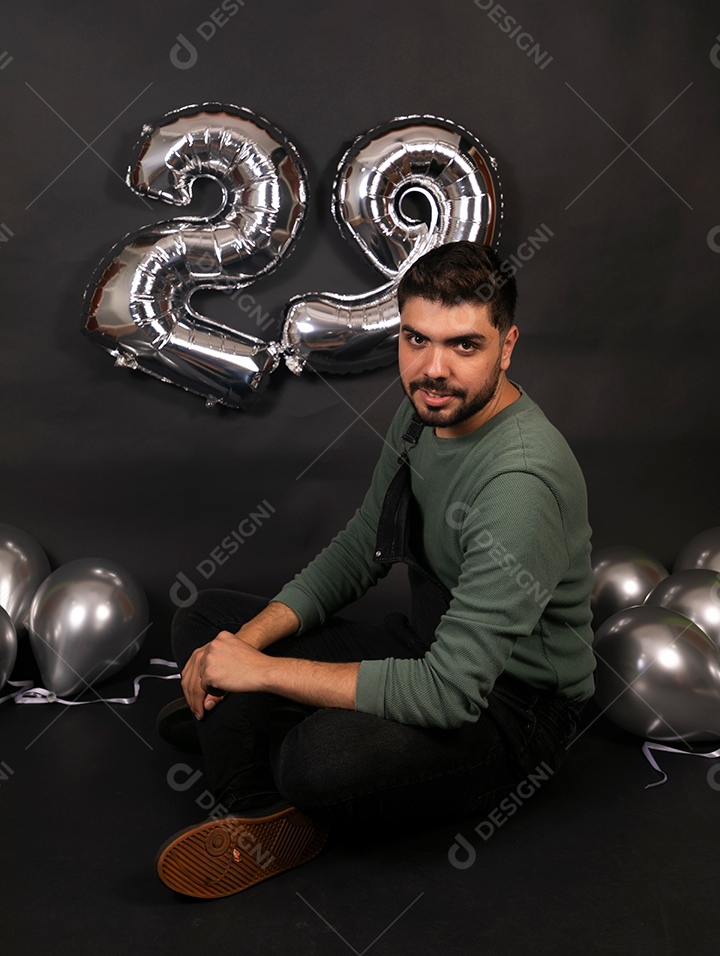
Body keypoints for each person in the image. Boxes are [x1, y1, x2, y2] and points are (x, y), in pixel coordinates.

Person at [154, 241, 595, 899]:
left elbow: (451, 690)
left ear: (506, 347)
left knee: (319, 760)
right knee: (211, 618)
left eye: (464, 346)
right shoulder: (425, 412)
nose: (433, 368)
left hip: (509, 707)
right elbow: (362, 549)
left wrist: (263, 672)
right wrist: (246, 644)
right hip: (423, 645)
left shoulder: (521, 481)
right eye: (417, 339)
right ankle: (257, 804)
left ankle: (253, 732)